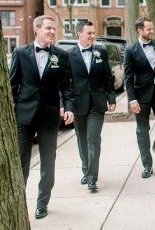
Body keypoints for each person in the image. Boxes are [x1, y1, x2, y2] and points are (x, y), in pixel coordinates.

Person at [9, 15, 74, 219]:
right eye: (48, 28)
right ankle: (19, 206)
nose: (53, 32)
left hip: (49, 116)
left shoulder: (61, 56)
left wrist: (69, 107)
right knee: (21, 164)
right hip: (24, 116)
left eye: (54, 29)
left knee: (48, 162)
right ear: (37, 29)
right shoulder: (20, 53)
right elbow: (12, 85)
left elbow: (66, 86)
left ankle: (42, 204)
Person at [68, 21, 116, 191]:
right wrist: (67, 105)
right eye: (89, 33)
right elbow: (65, 83)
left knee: (93, 139)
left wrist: (111, 98)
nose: (92, 36)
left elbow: (107, 77)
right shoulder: (69, 55)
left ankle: (92, 177)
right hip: (78, 104)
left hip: (97, 103)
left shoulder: (100, 52)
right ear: (79, 33)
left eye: (93, 33)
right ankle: (86, 169)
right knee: (82, 140)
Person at [124, 17, 155, 178]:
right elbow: (128, 76)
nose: (151, 31)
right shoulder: (131, 50)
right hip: (141, 96)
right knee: (142, 131)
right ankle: (147, 165)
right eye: (148, 29)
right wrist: (132, 99)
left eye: (152, 28)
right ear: (139, 30)